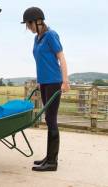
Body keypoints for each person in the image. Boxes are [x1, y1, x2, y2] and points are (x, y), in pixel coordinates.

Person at [21, 7, 70, 171]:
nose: (28, 27)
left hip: (55, 82)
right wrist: (40, 81)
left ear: (38, 21)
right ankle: (49, 157)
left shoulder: (51, 35)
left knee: (51, 119)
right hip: (45, 83)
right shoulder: (37, 39)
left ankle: (52, 162)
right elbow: (41, 62)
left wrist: (65, 80)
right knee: (48, 120)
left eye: (29, 24)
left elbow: (61, 58)